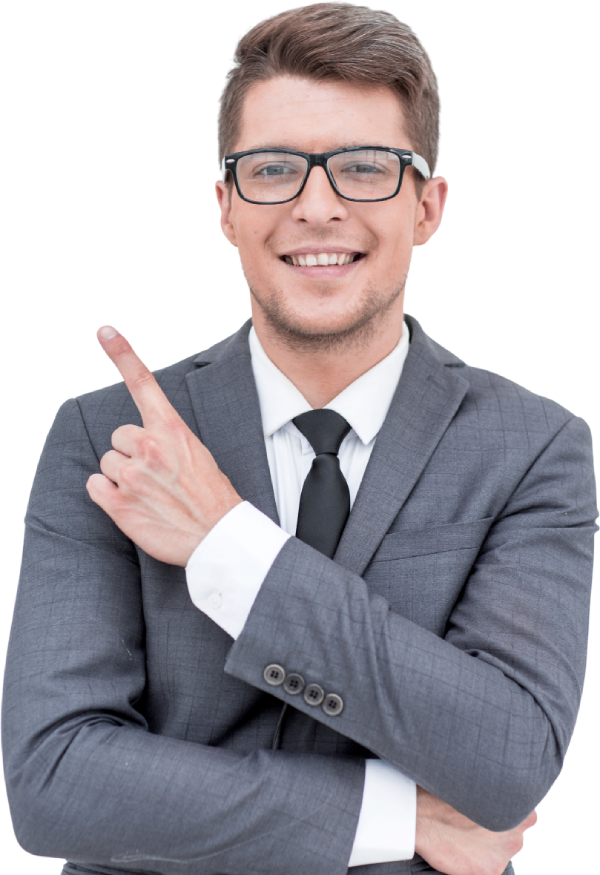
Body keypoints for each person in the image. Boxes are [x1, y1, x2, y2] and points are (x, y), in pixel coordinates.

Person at [3, 4, 596, 874]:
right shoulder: (109, 437)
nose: (317, 207)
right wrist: (396, 816)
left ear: (429, 207)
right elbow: (55, 783)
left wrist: (226, 543)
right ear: (225, 207)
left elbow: (508, 759)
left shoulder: (534, 446)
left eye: (365, 168)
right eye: (274, 169)